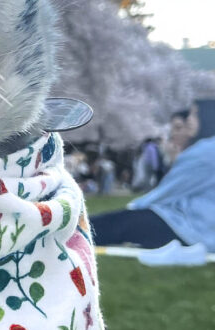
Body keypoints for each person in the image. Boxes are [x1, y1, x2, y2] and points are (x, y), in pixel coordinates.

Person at [91, 102, 215, 265]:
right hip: (201, 226)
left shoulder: (205, 150)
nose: (190, 120)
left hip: (191, 229)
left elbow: (166, 192)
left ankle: (67, 233)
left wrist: (133, 207)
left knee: (120, 223)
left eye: (194, 114)